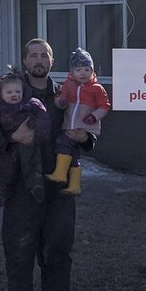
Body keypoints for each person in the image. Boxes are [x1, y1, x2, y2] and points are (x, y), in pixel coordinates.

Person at [0, 38, 91, 291]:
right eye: (34, 55)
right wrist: (13, 138)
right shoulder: (10, 92)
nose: (39, 60)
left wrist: (85, 139)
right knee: (20, 249)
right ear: (25, 61)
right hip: (22, 186)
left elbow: (89, 126)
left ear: (52, 62)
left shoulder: (67, 93)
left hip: (61, 184)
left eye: (45, 55)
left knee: (59, 248)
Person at [0, 67, 51, 206]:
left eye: (18, 92)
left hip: (29, 144)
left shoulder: (31, 104)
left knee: (33, 165)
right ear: (0, 94)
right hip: (9, 147)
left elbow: (43, 118)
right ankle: (0, 195)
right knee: (5, 170)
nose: (14, 95)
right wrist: (4, 143)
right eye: (9, 92)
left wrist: (38, 136)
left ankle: (37, 188)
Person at [45, 47, 110, 196]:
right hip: (70, 125)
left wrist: (93, 117)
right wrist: (62, 101)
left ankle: (60, 174)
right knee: (73, 155)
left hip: (86, 128)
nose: (83, 73)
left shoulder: (97, 89)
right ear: (72, 72)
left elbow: (104, 106)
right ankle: (74, 186)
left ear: (92, 72)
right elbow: (57, 102)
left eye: (87, 70)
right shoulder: (68, 86)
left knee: (62, 143)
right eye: (79, 69)